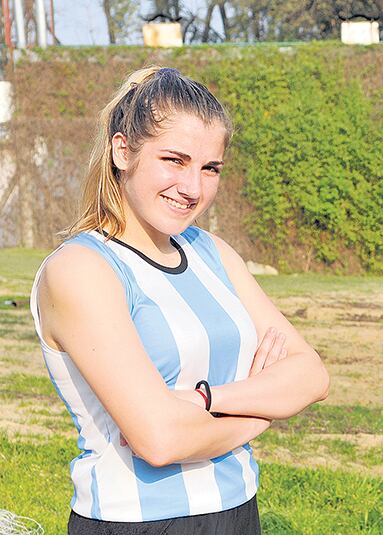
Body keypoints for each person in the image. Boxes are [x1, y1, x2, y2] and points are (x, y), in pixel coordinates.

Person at [30, 66, 330, 534]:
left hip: (239, 511)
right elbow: (160, 439)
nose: (193, 188)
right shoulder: (81, 268)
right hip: (137, 523)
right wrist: (265, 410)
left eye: (210, 168)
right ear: (122, 150)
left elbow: (311, 374)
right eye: (174, 160)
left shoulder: (213, 253)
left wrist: (205, 399)